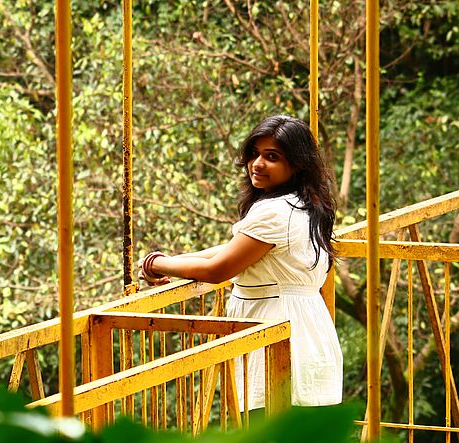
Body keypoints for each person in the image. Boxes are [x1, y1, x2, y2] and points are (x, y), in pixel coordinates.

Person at [137, 114, 342, 409]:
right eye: (254, 154)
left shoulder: (274, 212)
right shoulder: (305, 205)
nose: (257, 164)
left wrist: (158, 265)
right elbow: (233, 249)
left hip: (278, 337)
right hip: (308, 333)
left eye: (272, 157)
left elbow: (218, 269)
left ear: (297, 164)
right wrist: (165, 260)